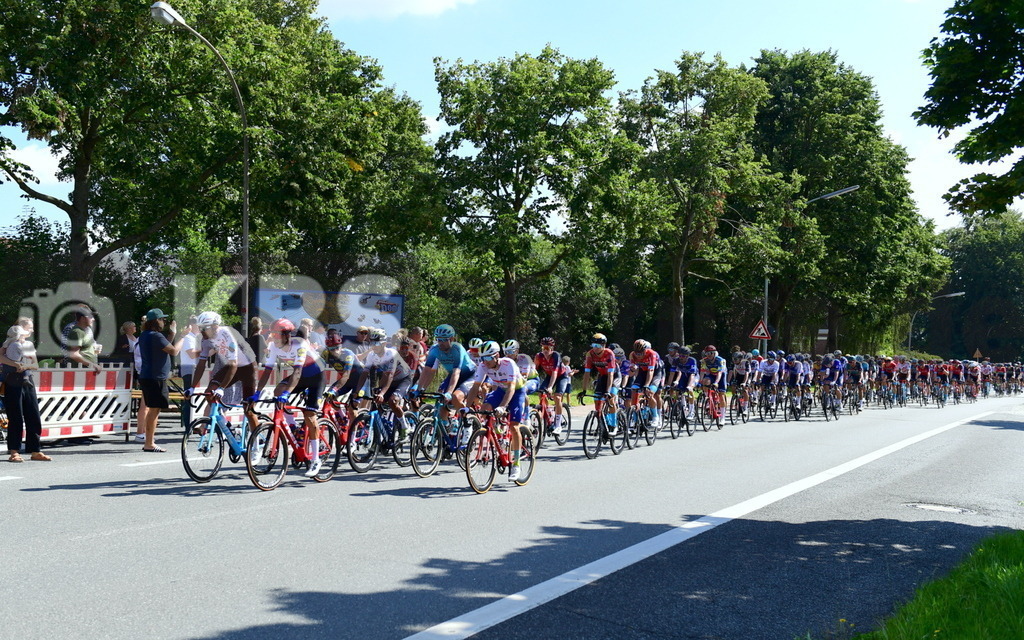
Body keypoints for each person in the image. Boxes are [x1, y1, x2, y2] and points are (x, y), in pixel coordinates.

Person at [256, 318, 326, 477]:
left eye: (276, 334)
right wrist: (257, 392)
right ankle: (294, 428)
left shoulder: (299, 344)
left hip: (316, 376)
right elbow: (267, 371)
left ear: (287, 335)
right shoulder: (274, 346)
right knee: (278, 391)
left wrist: (288, 393)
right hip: (300, 376)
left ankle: (316, 459)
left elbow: (297, 372)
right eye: (272, 334)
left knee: (310, 415)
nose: (273, 338)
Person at [466, 340, 527, 482]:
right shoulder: (482, 365)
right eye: (482, 358)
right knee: (484, 409)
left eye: (488, 358)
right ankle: (497, 433)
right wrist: (466, 407)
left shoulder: (508, 364)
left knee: (514, 426)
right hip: (500, 389)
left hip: (517, 390)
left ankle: (516, 464)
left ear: (497, 355)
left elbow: (511, 388)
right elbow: (475, 387)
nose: (485, 362)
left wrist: (503, 407)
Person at [137, 309, 185, 452]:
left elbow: (165, 346)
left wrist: (173, 333)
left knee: (153, 409)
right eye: (162, 319)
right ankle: (149, 443)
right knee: (154, 410)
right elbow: (174, 351)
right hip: (155, 377)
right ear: (155, 321)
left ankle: (149, 441)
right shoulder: (155, 336)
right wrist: (184, 337)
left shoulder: (146, 335)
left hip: (149, 376)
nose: (164, 322)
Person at [1, 322, 50, 462]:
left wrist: (25, 365)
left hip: (27, 380)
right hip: (12, 380)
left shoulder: (28, 345)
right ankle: (14, 452)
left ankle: (35, 450)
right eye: (29, 327)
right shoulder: (10, 343)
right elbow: (1, 357)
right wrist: (16, 364)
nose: (32, 330)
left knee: (33, 415)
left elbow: (35, 364)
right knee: (15, 416)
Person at [61, 306, 102, 372]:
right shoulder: (77, 332)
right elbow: (74, 354)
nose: (93, 319)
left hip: (86, 370)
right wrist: (92, 365)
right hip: (80, 372)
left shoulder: (85, 331)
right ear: (83, 318)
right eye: (91, 317)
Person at [179, 316, 201, 429]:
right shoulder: (188, 337)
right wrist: (206, 350)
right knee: (189, 398)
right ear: (192, 325)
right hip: (189, 370)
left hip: (195, 370)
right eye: (198, 324)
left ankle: (193, 423)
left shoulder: (196, 338)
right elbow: (192, 354)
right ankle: (188, 424)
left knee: (195, 397)